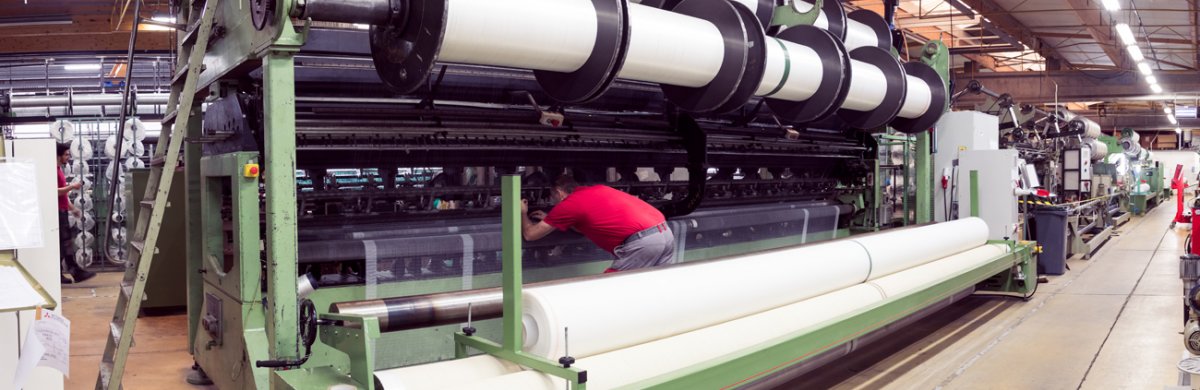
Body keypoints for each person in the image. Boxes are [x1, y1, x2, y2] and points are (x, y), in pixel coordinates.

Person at [521, 174, 676, 272]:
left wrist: (522, 212)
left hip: (643, 243)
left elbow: (530, 234)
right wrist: (552, 219)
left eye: (552, 197)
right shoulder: (598, 189)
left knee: (610, 289)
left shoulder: (569, 204)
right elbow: (588, 224)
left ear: (558, 192)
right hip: (665, 233)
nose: (553, 201)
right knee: (657, 285)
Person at [56, 143, 96, 283]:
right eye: (66, 154)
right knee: (64, 244)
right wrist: (72, 186)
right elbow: (54, 191)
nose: (68, 157)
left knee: (64, 244)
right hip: (57, 213)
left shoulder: (59, 169)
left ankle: (66, 274)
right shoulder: (53, 170)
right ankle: (73, 272)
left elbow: (63, 197)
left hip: (62, 211)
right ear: (58, 155)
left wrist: (73, 209)